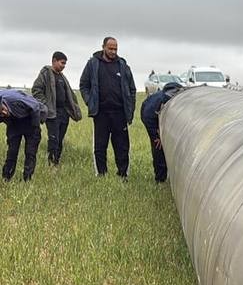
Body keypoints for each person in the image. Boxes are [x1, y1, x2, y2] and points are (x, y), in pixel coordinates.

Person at [79, 36, 136, 179]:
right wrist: (90, 101)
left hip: (119, 113)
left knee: (122, 146)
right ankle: (101, 174)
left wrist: (130, 107)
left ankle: (123, 174)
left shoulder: (123, 66)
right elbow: (84, 85)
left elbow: (132, 89)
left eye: (115, 48)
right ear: (103, 47)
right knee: (100, 146)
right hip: (101, 113)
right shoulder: (93, 64)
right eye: (110, 48)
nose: (113, 51)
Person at [31, 52, 82, 166]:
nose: (64, 66)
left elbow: (70, 96)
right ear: (54, 61)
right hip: (52, 114)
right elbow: (36, 90)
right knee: (53, 139)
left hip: (64, 113)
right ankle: (51, 163)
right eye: (62, 63)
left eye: (65, 64)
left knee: (60, 139)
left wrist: (73, 110)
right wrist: (46, 106)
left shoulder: (62, 77)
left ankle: (56, 162)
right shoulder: (46, 73)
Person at [140, 80, 184, 182]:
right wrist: (156, 136)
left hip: (161, 117)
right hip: (150, 118)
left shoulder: (176, 96)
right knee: (158, 146)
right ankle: (160, 178)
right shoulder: (156, 103)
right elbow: (147, 118)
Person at [0, 89, 48, 181]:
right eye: (1, 114)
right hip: (13, 123)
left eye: (3, 110)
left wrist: (36, 128)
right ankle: (6, 178)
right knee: (12, 152)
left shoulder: (17, 100)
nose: (4, 113)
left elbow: (35, 107)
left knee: (30, 152)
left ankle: (27, 179)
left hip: (31, 120)